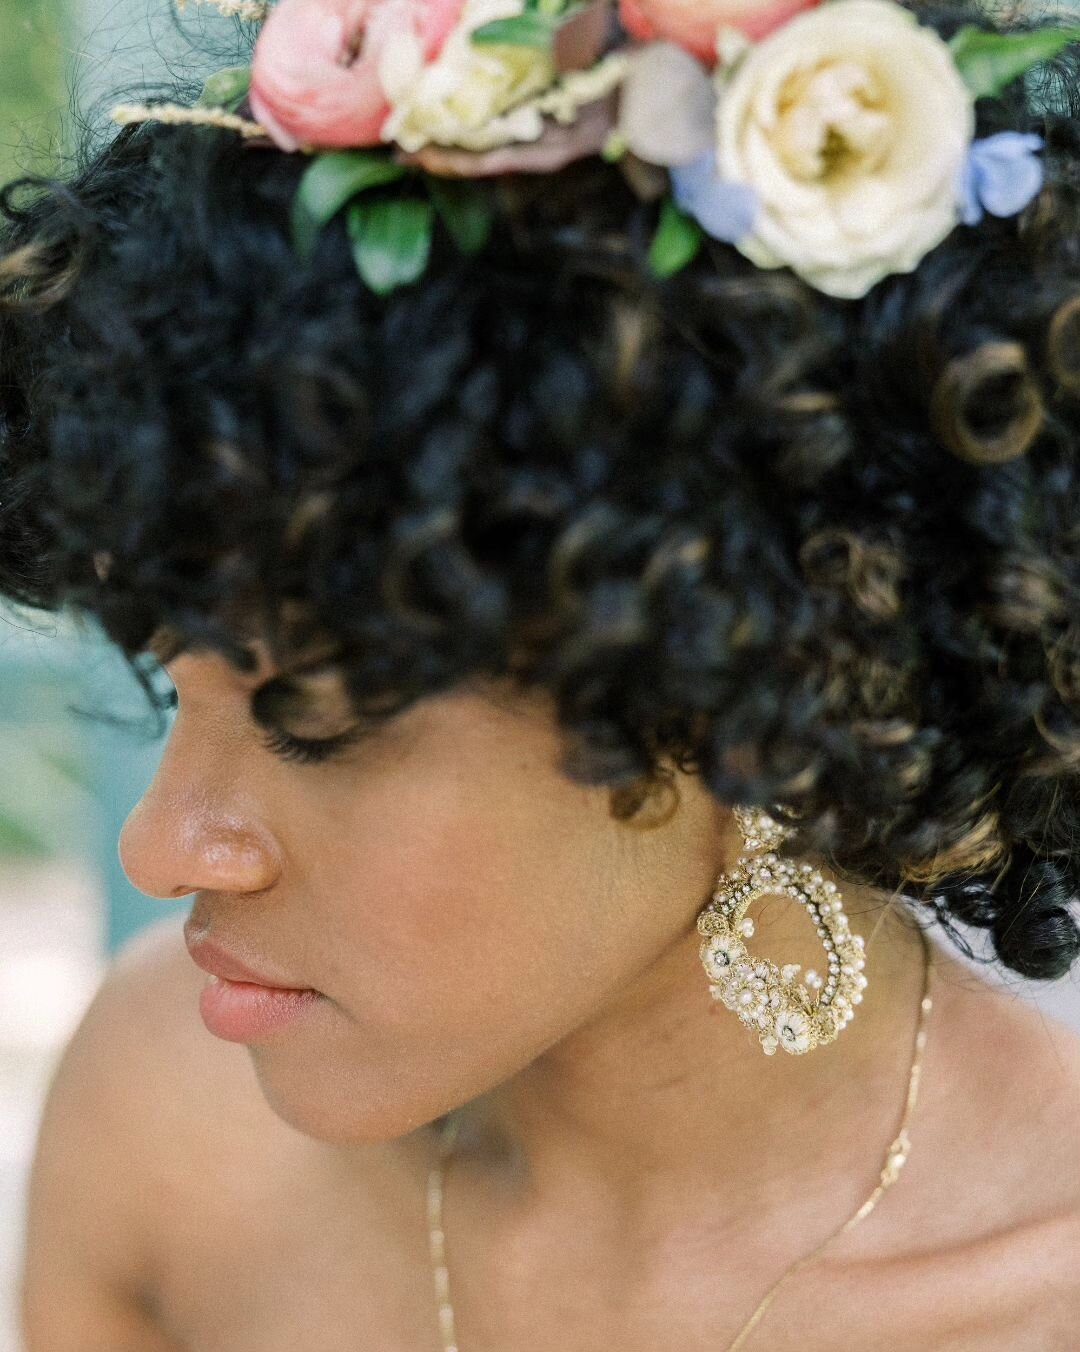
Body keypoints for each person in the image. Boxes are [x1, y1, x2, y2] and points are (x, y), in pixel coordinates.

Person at [5, 0, 1080, 1346]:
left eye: (317, 717)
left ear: (740, 665)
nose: (160, 847)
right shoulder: (169, 1123)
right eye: (173, 684)